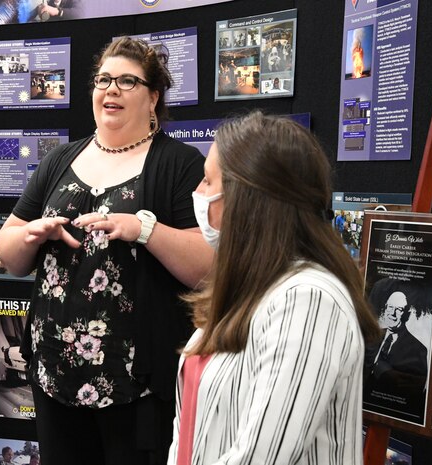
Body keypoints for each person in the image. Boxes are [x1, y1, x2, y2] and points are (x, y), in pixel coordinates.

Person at [0, 37, 212, 465]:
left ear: (154, 98)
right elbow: (9, 255)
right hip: (55, 374)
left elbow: (208, 267)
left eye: (127, 81)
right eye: (103, 79)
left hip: (135, 384)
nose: (111, 89)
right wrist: (31, 234)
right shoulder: (61, 159)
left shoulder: (179, 164)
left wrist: (143, 229)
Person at [167, 112, 381, 465]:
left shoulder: (309, 300)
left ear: (246, 198)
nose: (197, 193)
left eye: (207, 181)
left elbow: (261, 457)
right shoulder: (246, 289)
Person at [363, 287, 428, 420]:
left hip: (391, 412)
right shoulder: (372, 336)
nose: (392, 313)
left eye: (398, 310)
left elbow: (412, 393)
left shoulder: (418, 349)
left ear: (407, 314)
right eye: (390, 307)